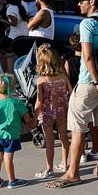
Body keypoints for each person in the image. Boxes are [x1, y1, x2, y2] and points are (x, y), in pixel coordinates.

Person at [48, 0, 98, 188]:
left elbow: (86, 56)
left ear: (92, 2)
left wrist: (95, 81)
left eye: (82, 0)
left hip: (89, 83)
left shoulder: (87, 24)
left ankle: (73, 172)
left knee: (77, 129)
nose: (78, 3)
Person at [0, 74, 35, 189]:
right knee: (8, 158)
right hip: (11, 135)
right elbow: (27, 118)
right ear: (13, 88)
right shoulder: (17, 102)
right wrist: (31, 122)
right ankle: (12, 181)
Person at [33, 43, 71, 179]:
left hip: (48, 113)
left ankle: (49, 169)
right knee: (64, 137)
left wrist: (33, 118)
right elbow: (70, 92)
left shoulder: (41, 80)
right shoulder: (63, 77)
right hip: (62, 111)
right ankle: (65, 163)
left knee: (49, 141)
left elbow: (39, 101)